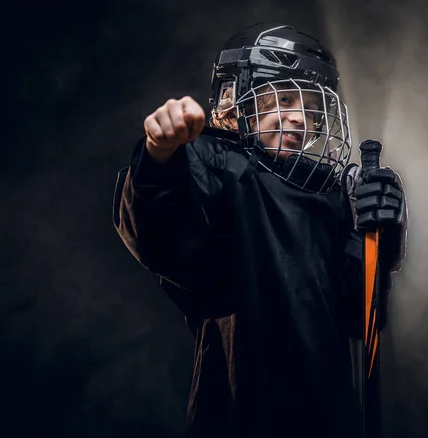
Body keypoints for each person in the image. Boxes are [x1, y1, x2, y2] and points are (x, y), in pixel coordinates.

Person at [112, 23, 408, 438]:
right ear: (235, 99)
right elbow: (159, 239)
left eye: (312, 108)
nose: (299, 118)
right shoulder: (215, 164)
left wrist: (379, 232)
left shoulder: (330, 191)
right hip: (240, 408)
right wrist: (160, 156)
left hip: (327, 413)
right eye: (285, 99)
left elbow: (359, 316)